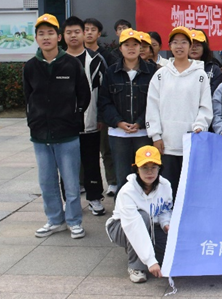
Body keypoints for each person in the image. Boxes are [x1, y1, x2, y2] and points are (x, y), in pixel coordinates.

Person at [23, 13, 91, 239]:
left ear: (58, 37)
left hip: (67, 134)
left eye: (50, 33)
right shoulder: (30, 66)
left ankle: (74, 221)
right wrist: (33, 121)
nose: (46, 38)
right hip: (40, 135)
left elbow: (84, 95)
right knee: (47, 182)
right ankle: (55, 220)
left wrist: (74, 117)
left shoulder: (71, 64)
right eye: (41, 34)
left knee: (71, 182)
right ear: (36, 38)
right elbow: (28, 97)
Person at [146, 26, 213, 199]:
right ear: (169, 46)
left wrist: (199, 127)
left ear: (190, 46)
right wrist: (156, 135)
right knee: (168, 189)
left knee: (190, 190)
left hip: (191, 142)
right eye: (175, 42)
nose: (179, 46)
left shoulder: (200, 75)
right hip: (167, 143)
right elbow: (152, 106)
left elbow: (205, 107)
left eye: (184, 42)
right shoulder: (161, 74)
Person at [99, 29, 156, 190]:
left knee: (146, 176)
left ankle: (145, 204)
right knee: (122, 177)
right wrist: (118, 122)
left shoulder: (152, 71)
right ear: (120, 48)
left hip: (144, 133)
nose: (131, 48)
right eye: (127, 45)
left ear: (140, 47)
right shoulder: (111, 72)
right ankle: (122, 205)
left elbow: (156, 102)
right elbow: (104, 102)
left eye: (135, 45)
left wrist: (140, 122)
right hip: (118, 134)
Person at [105, 145, 172, 284]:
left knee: (170, 254)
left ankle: (138, 250)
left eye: (154, 167)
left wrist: (166, 224)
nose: (150, 172)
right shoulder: (127, 191)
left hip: (152, 225)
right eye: (144, 168)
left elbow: (165, 209)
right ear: (136, 169)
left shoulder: (165, 185)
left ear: (159, 168)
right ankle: (136, 267)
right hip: (121, 227)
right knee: (142, 217)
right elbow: (133, 226)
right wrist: (150, 261)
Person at [62, 16, 106, 216]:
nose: (73, 36)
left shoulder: (95, 60)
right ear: (63, 36)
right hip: (64, 124)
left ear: (83, 34)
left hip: (90, 121)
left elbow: (103, 91)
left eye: (77, 32)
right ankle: (69, 201)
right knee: (66, 164)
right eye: (69, 32)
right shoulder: (58, 60)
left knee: (91, 161)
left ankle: (94, 198)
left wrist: (101, 117)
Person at [84, 17, 118, 196]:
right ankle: (82, 182)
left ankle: (112, 182)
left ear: (99, 34)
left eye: (92, 30)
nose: (89, 33)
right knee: (84, 150)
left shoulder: (107, 56)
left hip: (102, 111)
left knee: (106, 149)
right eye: (86, 29)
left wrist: (104, 114)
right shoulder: (76, 55)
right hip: (83, 112)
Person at [190, 29, 222, 96]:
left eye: (198, 45)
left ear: (204, 47)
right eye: (191, 45)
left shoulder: (214, 69)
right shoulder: (179, 68)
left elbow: (215, 94)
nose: (194, 48)